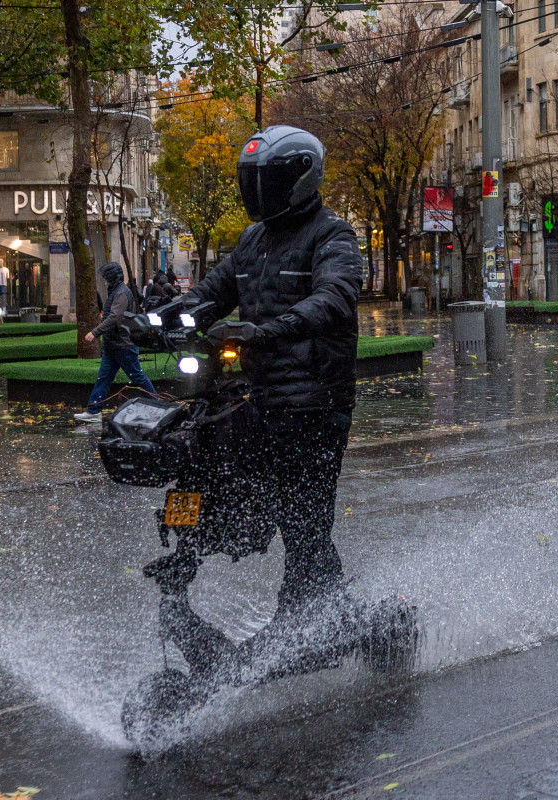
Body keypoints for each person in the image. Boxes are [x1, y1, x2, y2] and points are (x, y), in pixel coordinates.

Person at [169, 125, 363, 672]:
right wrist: (152, 319)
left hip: (313, 404)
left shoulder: (333, 235)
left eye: (268, 179)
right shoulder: (252, 240)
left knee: (303, 521)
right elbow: (208, 295)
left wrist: (269, 330)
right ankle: (320, 607)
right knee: (216, 485)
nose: (258, 189)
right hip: (255, 401)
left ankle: (311, 617)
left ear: (300, 178)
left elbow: (335, 297)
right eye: (252, 179)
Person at [74, 262, 158, 423]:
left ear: (112, 277)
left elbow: (114, 317)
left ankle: (157, 404)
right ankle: (93, 411)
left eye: (106, 277)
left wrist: (95, 332)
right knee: (104, 378)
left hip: (123, 345)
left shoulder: (121, 293)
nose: (104, 280)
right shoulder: (117, 291)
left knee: (137, 377)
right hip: (114, 345)